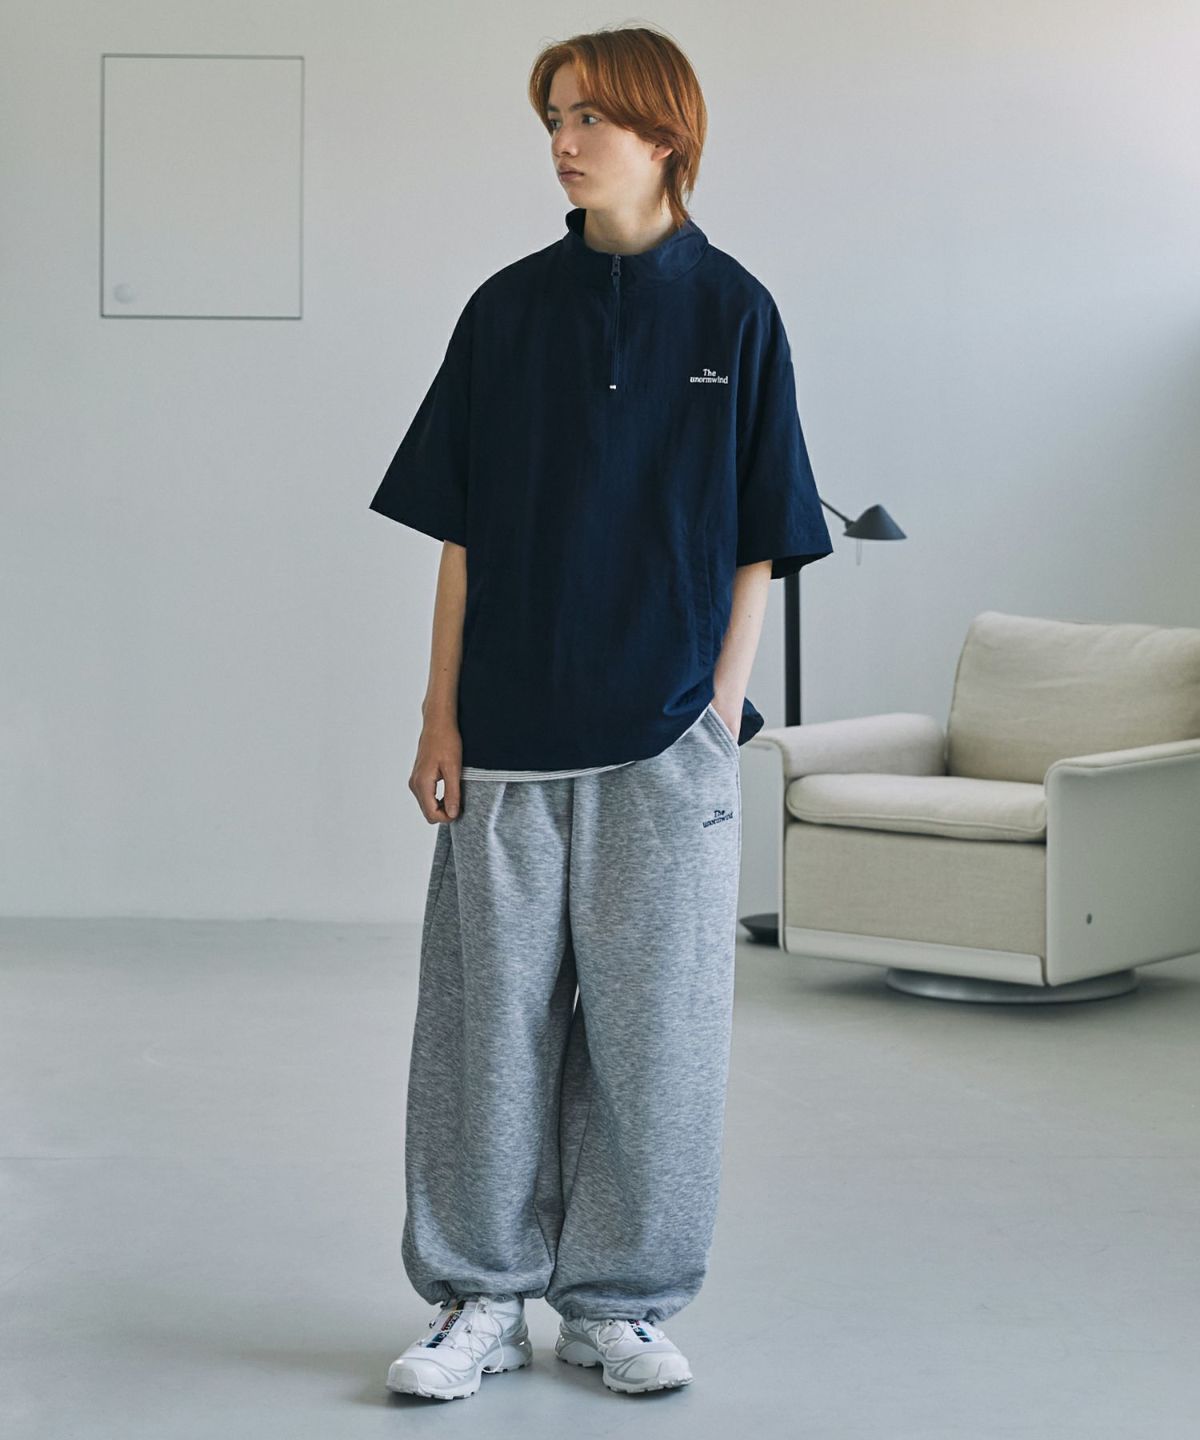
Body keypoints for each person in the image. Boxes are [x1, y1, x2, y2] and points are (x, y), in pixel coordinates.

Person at [371, 25, 833, 1402]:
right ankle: (478, 1297)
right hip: (507, 737)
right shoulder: (507, 312)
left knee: (658, 1043)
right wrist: (439, 717)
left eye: (588, 118)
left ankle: (619, 1303)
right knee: (486, 1040)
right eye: (554, 120)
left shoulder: (737, 313)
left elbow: (762, 540)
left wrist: (719, 713)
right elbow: (459, 536)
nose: (563, 143)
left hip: (667, 743)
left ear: (662, 134)